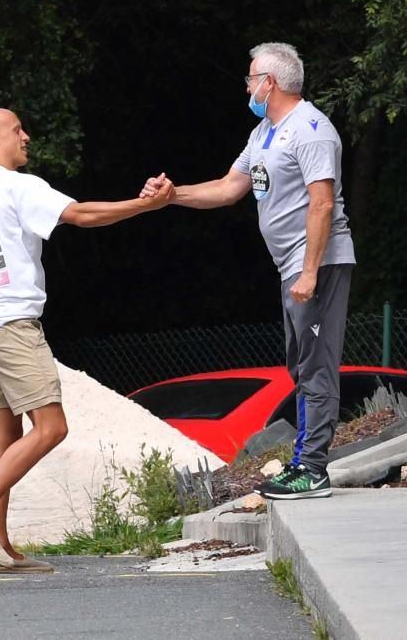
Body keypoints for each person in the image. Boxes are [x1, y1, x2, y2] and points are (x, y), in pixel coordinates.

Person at [0, 107, 175, 571]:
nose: (27, 136)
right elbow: (80, 215)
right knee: (51, 428)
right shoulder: (19, 186)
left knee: (3, 437)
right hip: (13, 327)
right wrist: (144, 206)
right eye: (18, 129)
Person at [141, 42, 355, 500]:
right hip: (292, 266)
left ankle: (312, 469)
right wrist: (171, 195)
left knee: (316, 367)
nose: (248, 87)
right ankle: (305, 462)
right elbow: (227, 188)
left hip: (317, 262)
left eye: (251, 78)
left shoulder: (312, 130)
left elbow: (322, 202)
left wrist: (310, 272)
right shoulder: (264, 132)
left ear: (270, 82)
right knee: (301, 366)